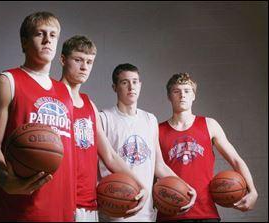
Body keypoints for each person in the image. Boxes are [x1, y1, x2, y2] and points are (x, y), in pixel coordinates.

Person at [0, 11, 76, 221]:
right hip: (22, 207)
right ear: (24, 42)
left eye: (53, 35)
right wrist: (5, 179)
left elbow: (67, 154)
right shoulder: (7, 82)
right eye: (39, 34)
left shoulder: (65, 91)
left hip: (62, 208)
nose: (47, 40)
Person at [59, 36, 148, 222]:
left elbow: (109, 155)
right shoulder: (52, 98)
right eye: (78, 60)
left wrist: (141, 185)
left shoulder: (89, 105)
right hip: (59, 200)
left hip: (89, 203)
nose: (84, 67)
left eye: (89, 62)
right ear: (62, 60)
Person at [98, 63, 197, 222]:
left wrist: (185, 186)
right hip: (116, 210)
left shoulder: (150, 120)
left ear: (140, 85)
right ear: (114, 87)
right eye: (125, 82)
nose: (131, 87)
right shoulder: (103, 118)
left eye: (135, 81)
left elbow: (159, 165)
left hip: (146, 212)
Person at [157, 72, 258, 221]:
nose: (182, 95)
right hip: (170, 213)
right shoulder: (157, 130)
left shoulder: (209, 124)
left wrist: (253, 191)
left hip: (206, 212)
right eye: (176, 91)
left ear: (194, 96)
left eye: (187, 91)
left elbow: (236, 160)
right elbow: (153, 168)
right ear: (169, 96)